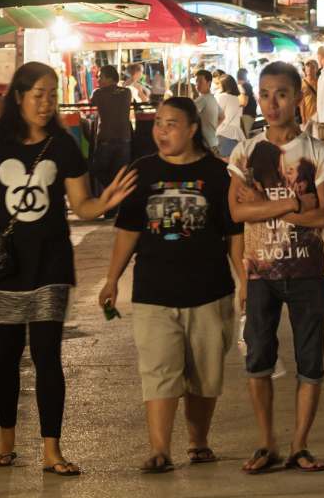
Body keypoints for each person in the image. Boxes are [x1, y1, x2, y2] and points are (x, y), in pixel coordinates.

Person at [0, 62, 137, 476]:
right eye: (38, 94)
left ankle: (52, 450)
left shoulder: (63, 143)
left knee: (47, 354)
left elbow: (83, 206)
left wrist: (105, 201)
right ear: (17, 97)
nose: (46, 102)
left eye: (52, 94)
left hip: (51, 263)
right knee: (5, 356)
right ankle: (6, 441)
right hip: (2, 265)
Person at [98, 97, 244, 473]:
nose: (161, 131)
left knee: (204, 373)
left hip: (209, 290)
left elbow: (233, 233)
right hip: (153, 291)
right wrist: (112, 279)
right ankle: (160, 449)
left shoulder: (217, 173)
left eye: (171, 124)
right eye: (158, 123)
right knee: (159, 371)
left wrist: (244, 280)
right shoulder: (141, 171)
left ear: (193, 128)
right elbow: (128, 230)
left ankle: (198, 442)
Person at [227, 61, 324, 474]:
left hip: (308, 273)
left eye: (281, 94)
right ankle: (266, 443)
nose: (272, 103)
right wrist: (293, 205)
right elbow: (236, 212)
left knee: (311, 361)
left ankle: (299, 445)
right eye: (265, 94)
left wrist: (264, 210)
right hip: (260, 275)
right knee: (257, 359)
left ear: (297, 98)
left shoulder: (316, 152)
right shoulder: (246, 151)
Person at [89, 65, 132, 217]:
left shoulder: (98, 93)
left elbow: (90, 104)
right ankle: (114, 206)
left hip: (106, 139)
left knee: (97, 169)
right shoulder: (127, 92)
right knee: (118, 174)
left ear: (109, 78)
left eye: (100, 77)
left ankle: (113, 199)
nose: (98, 80)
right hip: (124, 139)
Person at [216, 75, 246, 159]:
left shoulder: (222, 97)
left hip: (223, 132)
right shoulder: (236, 99)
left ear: (224, 85)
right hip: (235, 134)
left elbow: (218, 116)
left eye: (219, 83)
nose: (218, 86)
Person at [193, 69, 219, 152]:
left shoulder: (203, 99)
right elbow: (222, 116)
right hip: (214, 141)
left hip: (206, 144)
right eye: (196, 81)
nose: (197, 84)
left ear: (209, 83)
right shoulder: (212, 98)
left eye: (200, 81)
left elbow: (187, 112)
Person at [237, 68, 257, 139]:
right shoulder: (246, 85)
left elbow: (244, 102)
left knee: (245, 137)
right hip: (248, 113)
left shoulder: (245, 85)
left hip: (247, 114)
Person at [300, 60, 319, 128]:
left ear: (316, 69)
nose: (309, 71)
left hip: (321, 115)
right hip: (308, 115)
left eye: (312, 68)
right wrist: (303, 117)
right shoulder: (302, 84)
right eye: (307, 69)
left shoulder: (320, 81)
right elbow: (301, 102)